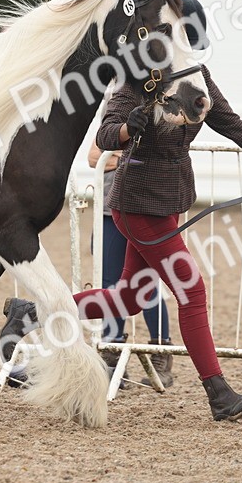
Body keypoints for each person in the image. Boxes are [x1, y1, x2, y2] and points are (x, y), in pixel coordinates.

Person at [0, 0, 242, 422]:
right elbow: (104, 137)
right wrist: (127, 128)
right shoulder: (133, 78)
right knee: (191, 290)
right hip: (137, 203)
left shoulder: (195, 78)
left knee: (128, 298)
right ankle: (219, 394)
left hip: (169, 202)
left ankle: (32, 312)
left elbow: (232, 124)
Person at [87, 140, 173, 390]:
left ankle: (160, 352)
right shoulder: (114, 102)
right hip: (109, 208)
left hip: (148, 208)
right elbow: (94, 158)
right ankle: (112, 353)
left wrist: (115, 158)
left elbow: (157, 160)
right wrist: (131, 159)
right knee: (109, 283)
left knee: (147, 283)